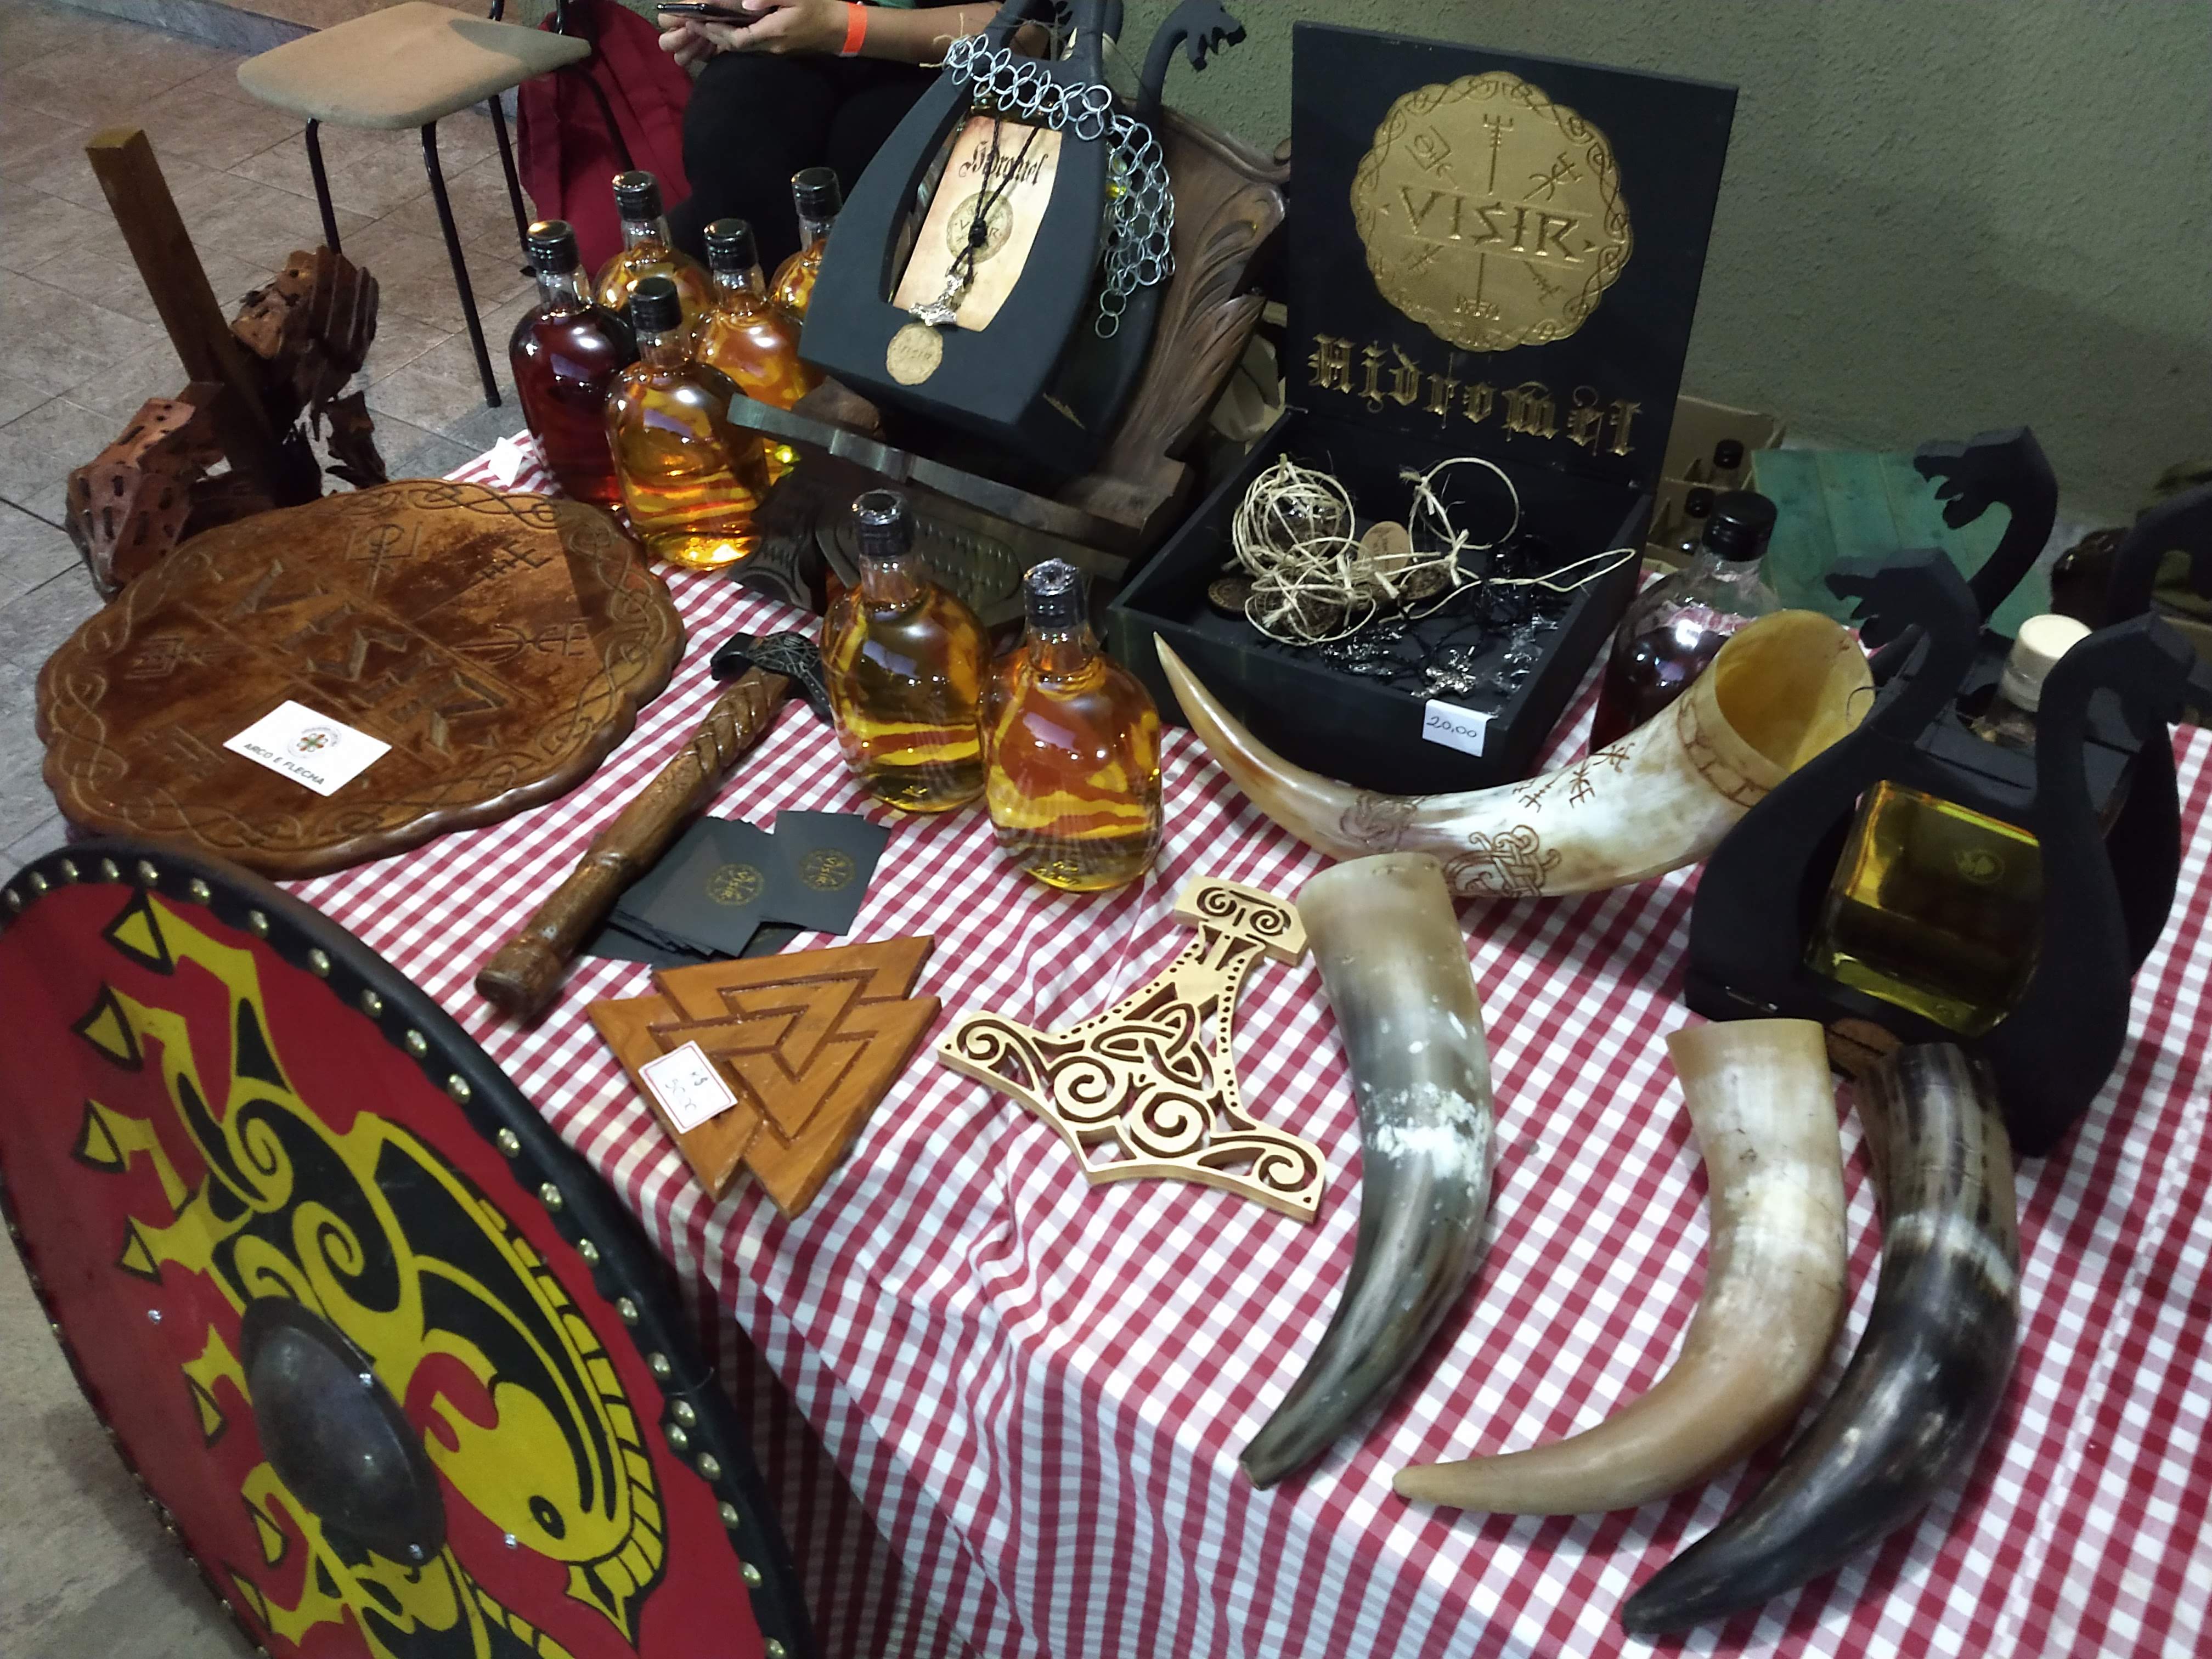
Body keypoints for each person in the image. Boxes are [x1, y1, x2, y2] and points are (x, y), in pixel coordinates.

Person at [658, 1, 1044, 271]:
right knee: (728, 136)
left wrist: (843, 27)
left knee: (871, 167)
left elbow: (1028, 33)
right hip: (796, 51)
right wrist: (728, 20)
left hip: (952, 65)